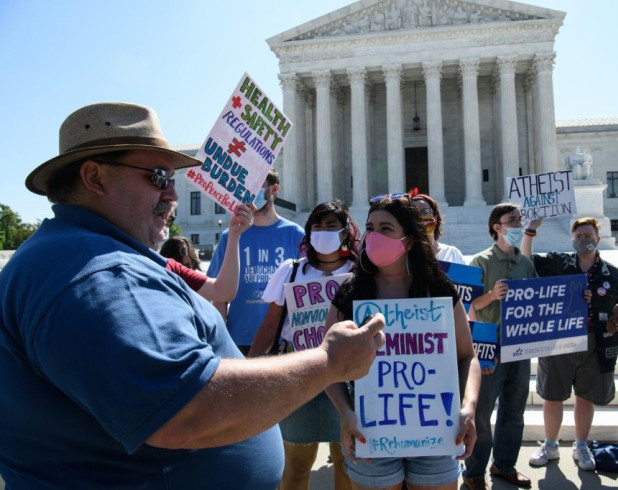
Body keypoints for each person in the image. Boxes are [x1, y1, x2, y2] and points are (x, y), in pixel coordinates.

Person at [0, 101, 387, 488]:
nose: (173, 195)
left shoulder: (86, 254)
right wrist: (328, 362)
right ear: (94, 178)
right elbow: (189, 411)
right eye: (157, 177)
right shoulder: (96, 272)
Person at [325, 194, 481, 489]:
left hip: (436, 430)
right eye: (370, 228)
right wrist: (346, 413)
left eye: (386, 228)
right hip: (369, 430)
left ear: (409, 241)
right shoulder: (351, 291)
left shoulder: (438, 288)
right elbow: (326, 362)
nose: (374, 236)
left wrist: (468, 407)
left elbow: (467, 356)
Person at [249, 200, 361, 490]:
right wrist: (251, 369)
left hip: (347, 379)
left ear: (345, 232)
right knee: (296, 465)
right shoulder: (292, 270)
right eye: (317, 225)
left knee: (347, 463)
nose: (322, 231)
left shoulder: (362, 273)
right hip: (300, 377)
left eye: (331, 225)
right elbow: (271, 325)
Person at [521, 217, 618, 471]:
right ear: (572, 240)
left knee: (585, 397)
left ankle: (581, 445)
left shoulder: (613, 275)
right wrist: (530, 231)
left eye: (588, 235)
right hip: (559, 340)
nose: (584, 240)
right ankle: (550, 444)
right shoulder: (558, 263)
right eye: (579, 236)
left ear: (598, 239)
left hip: (595, 342)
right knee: (552, 396)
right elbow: (527, 260)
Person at [463, 203, 537, 490]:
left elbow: (538, 301)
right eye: (512, 220)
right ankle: (474, 471)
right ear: (497, 226)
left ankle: (504, 465)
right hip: (488, 345)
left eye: (519, 219)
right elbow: (468, 304)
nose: (519, 224)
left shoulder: (527, 263)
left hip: (520, 345)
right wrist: (492, 296)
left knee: (514, 409)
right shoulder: (480, 262)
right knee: (482, 412)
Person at [207, 167, 305, 356]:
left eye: (255, 188)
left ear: (274, 190)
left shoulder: (296, 235)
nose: (248, 195)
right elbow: (218, 295)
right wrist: (221, 340)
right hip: (237, 341)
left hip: (281, 343)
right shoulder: (231, 236)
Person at [160, 203, 252, 302]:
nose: (186, 271)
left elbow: (223, 292)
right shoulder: (161, 275)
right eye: (164, 217)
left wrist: (234, 234)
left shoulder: (187, 278)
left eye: (190, 266)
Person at [410, 192, 466, 264]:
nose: (420, 218)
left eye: (425, 212)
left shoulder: (453, 254)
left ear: (435, 217)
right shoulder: (403, 259)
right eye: (414, 214)